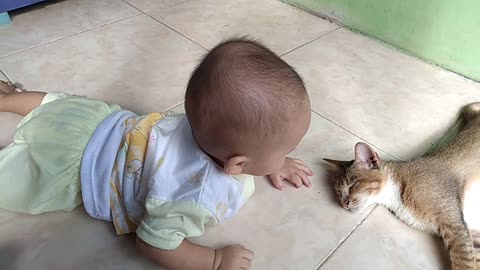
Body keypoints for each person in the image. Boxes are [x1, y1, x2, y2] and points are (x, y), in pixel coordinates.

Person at [0, 38, 313, 270]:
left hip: (100, 121)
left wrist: (273, 160)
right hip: (77, 170)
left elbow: (248, 141)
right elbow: (153, 244)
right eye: (286, 149)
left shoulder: (204, 125)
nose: (288, 155)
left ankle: (8, 99)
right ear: (238, 164)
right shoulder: (190, 193)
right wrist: (215, 260)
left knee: (56, 104)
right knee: (14, 180)